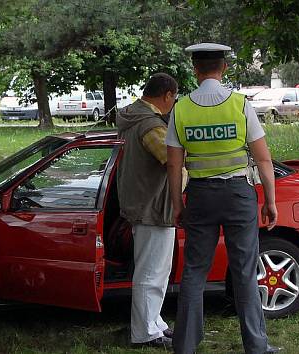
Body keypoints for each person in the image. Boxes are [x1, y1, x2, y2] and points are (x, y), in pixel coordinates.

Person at [165, 43, 281, 354]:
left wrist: (178, 204)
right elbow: (264, 160)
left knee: (194, 270)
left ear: (195, 70)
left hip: (200, 197)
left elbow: (174, 164)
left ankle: (185, 345)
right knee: (244, 270)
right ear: (224, 68)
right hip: (238, 195)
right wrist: (270, 201)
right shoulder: (241, 105)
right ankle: (257, 347)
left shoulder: (181, 108)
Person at [116, 73, 179, 349]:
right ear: (166, 95)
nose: (173, 103)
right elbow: (170, 159)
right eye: (173, 98)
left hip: (142, 202)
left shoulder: (133, 118)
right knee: (151, 272)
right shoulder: (151, 126)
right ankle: (144, 332)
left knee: (156, 271)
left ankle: (154, 323)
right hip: (152, 205)